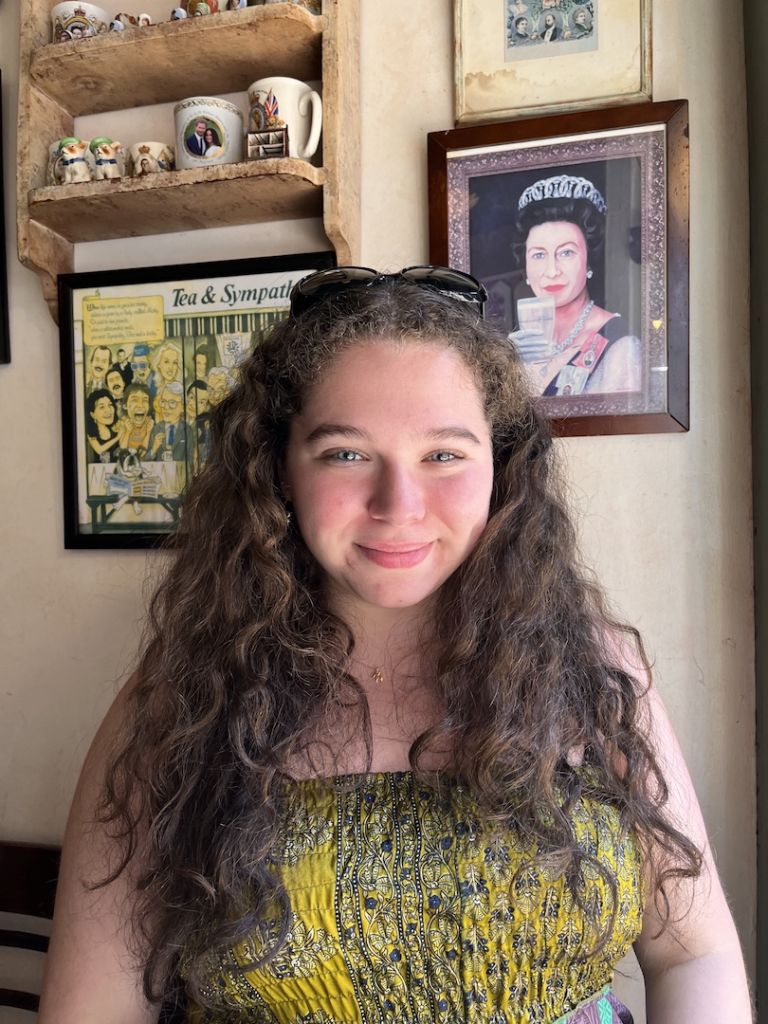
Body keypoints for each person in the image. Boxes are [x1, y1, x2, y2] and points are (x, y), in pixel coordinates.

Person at [39, 268, 751, 1023]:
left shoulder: (595, 670)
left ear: (501, 467)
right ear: (279, 467)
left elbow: (693, 951)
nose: (398, 507)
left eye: (443, 455)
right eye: (345, 453)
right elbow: (94, 1009)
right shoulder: (183, 702)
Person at [511, 174, 642, 396]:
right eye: (539, 255)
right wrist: (509, 364)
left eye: (566, 252)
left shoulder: (620, 345)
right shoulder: (516, 347)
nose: (552, 271)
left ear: (588, 260)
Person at [84, 388, 119, 463]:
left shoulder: (115, 429)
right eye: (102, 407)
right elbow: (99, 450)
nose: (108, 410)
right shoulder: (90, 433)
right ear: (92, 415)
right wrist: (118, 437)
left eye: (110, 405)